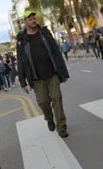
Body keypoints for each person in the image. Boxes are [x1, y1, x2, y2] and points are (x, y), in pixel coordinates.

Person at [16, 10, 70, 138]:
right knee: (43, 102)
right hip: (36, 78)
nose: (33, 21)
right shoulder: (21, 39)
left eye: (34, 18)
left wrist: (63, 72)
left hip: (52, 74)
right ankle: (49, 119)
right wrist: (22, 81)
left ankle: (61, 127)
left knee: (57, 99)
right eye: (30, 19)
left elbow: (56, 53)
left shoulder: (44, 33)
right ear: (25, 22)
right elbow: (21, 61)